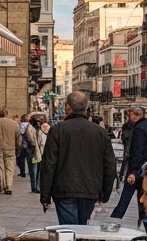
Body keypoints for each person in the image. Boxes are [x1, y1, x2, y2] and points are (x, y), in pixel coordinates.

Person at [39, 91, 118, 225]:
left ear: (68, 107)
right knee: (82, 230)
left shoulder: (57, 130)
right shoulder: (101, 133)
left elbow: (48, 164)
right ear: (85, 108)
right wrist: (105, 193)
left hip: (64, 189)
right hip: (90, 189)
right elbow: (110, 165)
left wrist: (45, 196)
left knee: (70, 233)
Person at [111, 106, 147, 221]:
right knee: (145, 196)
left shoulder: (139, 129)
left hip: (139, 169)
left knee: (125, 199)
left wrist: (133, 171)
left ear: (133, 115)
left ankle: (115, 220)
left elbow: (136, 151)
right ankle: (144, 221)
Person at [0, 107, 20, 195]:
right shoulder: (14, 123)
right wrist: (17, 147)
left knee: (0, 167)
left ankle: (2, 185)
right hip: (11, 148)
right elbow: (18, 137)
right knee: (10, 168)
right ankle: (8, 186)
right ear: (7, 113)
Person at [26, 113, 48, 194]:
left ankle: (38, 186)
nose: (38, 123)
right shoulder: (30, 128)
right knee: (33, 171)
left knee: (40, 171)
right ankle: (34, 187)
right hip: (32, 152)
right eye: (36, 121)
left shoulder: (44, 129)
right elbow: (31, 140)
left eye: (39, 121)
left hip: (42, 152)